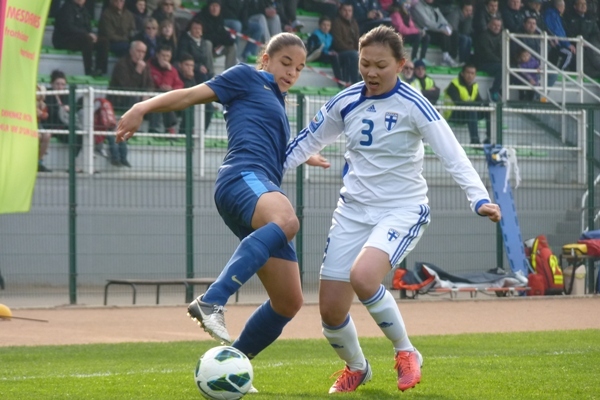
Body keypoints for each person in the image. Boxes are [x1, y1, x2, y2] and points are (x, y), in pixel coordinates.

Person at [283, 25, 501, 394]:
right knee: (331, 313)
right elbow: (305, 143)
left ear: (401, 64)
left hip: (402, 209)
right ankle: (357, 368)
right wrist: (262, 177)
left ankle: (407, 352)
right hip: (352, 212)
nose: (370, 72)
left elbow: (453, 154)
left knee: (364, 277)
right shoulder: (346, 100)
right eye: (364, 63)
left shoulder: (415, 105)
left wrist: (478, 198)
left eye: (380, 65)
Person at [115, 33, 329, 369]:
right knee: (287, 221)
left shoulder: (275, 99)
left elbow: (267, 144)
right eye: (286, 62)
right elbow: (188, 95)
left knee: (288, 301)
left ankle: (231, 367)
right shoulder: (246, 77)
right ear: (266, 59)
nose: (292, 72)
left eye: (299, 68)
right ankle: (212, 300)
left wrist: (303, 156)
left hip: (258, 185)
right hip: (242, 177)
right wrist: (143, 107)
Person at [107, 41, 155, 167]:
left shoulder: (145, 66)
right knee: (134, 99)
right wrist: (137, 71)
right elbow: (126, 87)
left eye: (143, 52)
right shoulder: (122, 64)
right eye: (138, 51)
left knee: (158, 101)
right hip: (119, 100)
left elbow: (150, 84)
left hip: (137, 100)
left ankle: (158, 130)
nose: (141, 54)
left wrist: (147, 94)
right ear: (131, 51)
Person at [53, 0, 110, 77]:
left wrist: (92, 35)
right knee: (87, 39)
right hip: (64, 39)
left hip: (80, 38)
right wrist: (87, 34)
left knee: (103, 41)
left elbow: (88, 27)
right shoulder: (66, 8)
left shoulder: (84, 10)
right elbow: (68, 28)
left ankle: (100, 70)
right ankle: (88, 70)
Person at [443, 63, 491, 144]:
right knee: (471, 110)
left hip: (467, 112)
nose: (470, 75)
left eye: (472, 73)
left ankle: (489, 138)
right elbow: (458, 103)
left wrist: (484, 104)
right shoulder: (454, 84)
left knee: (488, 108)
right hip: (453, 114)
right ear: (462, 73)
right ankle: (474, 140)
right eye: (468, 73)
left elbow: (479, 102)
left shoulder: (474, 85)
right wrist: (473, 105)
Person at [45, 70, 84, 159]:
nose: (60, 87)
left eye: (62, 84)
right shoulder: (47, 94)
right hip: (52, 125)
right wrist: (62, 109)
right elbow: (50, 113)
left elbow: (73, 110)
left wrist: (69, 109)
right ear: (52, 84)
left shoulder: (67, 95)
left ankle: (73, 161)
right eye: (57, 84)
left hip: (64, 125)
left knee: (80, 134)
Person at [410, 0, 460, 67]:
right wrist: (441, 29)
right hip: (425, 31)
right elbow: (427, 23)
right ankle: (445, 57)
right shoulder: (418, 6)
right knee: (443, 33)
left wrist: (448, 26)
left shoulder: (434, 6)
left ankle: (452, 57)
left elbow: (442, 19)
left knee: (454, 33)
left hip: (436, 29)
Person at [193, 0, 238, 70]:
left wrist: (229, 39)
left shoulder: (219, 18)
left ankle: (230, 74)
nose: (215, 9)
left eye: (217, 6)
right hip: (200, 49)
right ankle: (210, 72)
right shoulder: (200, 17)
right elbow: (204, 37)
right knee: (208, 43)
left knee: (232, 46)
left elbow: (222, 33)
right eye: (212, 6)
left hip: (216, 48)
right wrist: (221, 39)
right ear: (208, 7)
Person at [149, 45, 184, 134]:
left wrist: (172, 89)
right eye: (163, 55)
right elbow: (161, 85)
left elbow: (179, 85)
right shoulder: (149, 67)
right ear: (157, 55)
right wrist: (168, 72)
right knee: (161, 94)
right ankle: (169, 126)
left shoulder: (172, 69)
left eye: (167, 56)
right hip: (152, 97)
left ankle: (183, 132)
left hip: (169, 98)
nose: (165, 58)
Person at [177, 53, 214, 131]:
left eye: (192, 66)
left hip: (192, 100)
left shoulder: (196, 75)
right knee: (190, 106)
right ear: (180, 65)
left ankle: (201, 132)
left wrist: (191, 78)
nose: (190, 68)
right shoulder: (176, 74)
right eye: (187, 65)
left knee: (209, 107)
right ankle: (183, 133)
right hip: (178, 101)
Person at [307, 16, 345, 87]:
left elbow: (331, 48)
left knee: (341, 57)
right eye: (324, 25)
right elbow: (312, 49)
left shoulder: (330, 37)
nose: (326, 27)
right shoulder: (315, 35)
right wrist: (328, 53)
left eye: (328, 25)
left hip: (325, 55)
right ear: (320, 25)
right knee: (333, 58)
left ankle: (345, 80)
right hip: (317, 55)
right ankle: (340, 82)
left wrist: (332, 52)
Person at [176, 19, 215, 84]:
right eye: (195, 28)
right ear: (190, 29)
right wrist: (198, 67)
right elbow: (183, 57)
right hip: (192, 69)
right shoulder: (184, 41)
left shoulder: (204, 43)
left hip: (204, 69)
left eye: (199, 28)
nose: (197, 31)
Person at [474, 16, 503, 101]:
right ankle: (494, 91)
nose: (496, 27)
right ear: (488, 25)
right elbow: (487, 54)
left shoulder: (502, 37)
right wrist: (502, 61)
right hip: (483, 63)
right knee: (502, 68)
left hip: (497, 63)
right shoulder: (483, 36)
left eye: (498, 25)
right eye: (494, 25)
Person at [331, 3, 361, 84]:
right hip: (341, 52)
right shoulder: (336, 23)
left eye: (350, 11)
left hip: (354, 51)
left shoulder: (354, 23)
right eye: (345, 10)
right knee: (354, 55)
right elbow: (338, 43)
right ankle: (355, 82)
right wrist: (355, 50)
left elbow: (358, 40)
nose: (347, 13)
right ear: (340, 11)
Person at [36, 85, 51, 173]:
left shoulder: (43, 104)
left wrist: (42, 113)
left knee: (47, 135)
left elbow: (45, 116)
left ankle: (39, 161)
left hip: (38, 124)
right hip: (28, 123)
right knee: (37, 136)